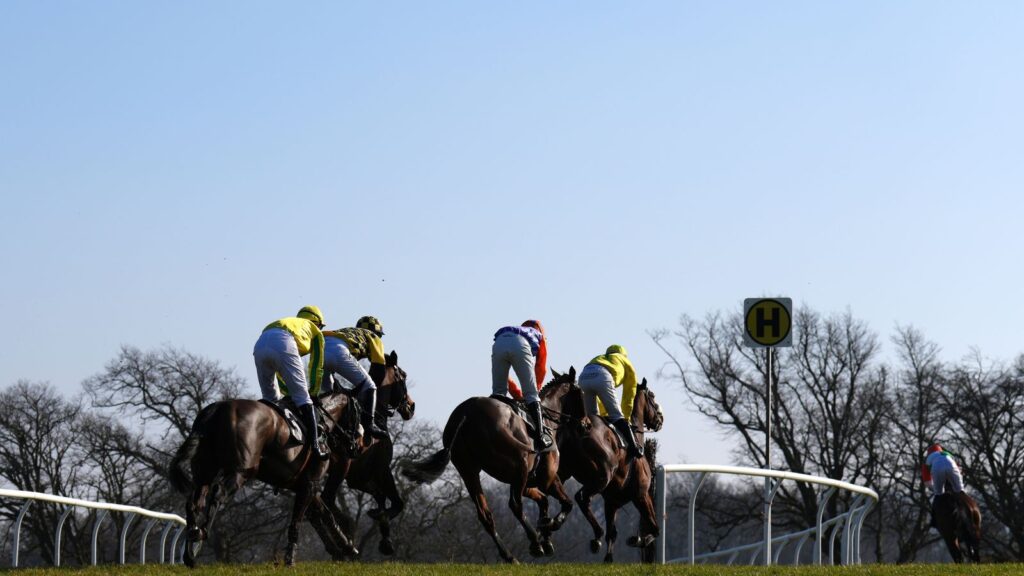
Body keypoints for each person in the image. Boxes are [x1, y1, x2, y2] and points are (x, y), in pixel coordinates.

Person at [254, 305, 329, 459]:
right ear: (317, 323)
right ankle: (315, 447)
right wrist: (313, 393)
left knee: (270, 399)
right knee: (303, 398)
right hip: (284, 342)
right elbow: (316, 366)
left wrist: (287, 392)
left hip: (260, 342)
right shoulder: (315, 333)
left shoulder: (292, 323)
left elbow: (283, 373)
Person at [320, 316, 389, 442]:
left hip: (320, 351)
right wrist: (366, 395)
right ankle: (369, 426)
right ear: (377, 333)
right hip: (339, 350)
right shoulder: (373, 337)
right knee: (370, 386)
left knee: (328, 396)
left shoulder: (348, 332)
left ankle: (324, 424)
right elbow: (378, 370)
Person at [491, 320, 551, 451]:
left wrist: (516, 394)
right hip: (520, 343)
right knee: (532, 394)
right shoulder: (539, 335)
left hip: (498, 341)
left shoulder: (515, 330)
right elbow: (541, 367)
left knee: (498, 392)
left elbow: (507, 379)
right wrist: (535, 391)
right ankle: (541, 437)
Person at [578, 344, 642, 459]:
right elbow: (629, 393)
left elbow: (600, 395)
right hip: (602, 376)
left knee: (592, 418)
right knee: (617, 415)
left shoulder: (601, 357)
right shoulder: (625, 361)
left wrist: (603, 414)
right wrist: (625, 418)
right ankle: (634, 448)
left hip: (583, 377)